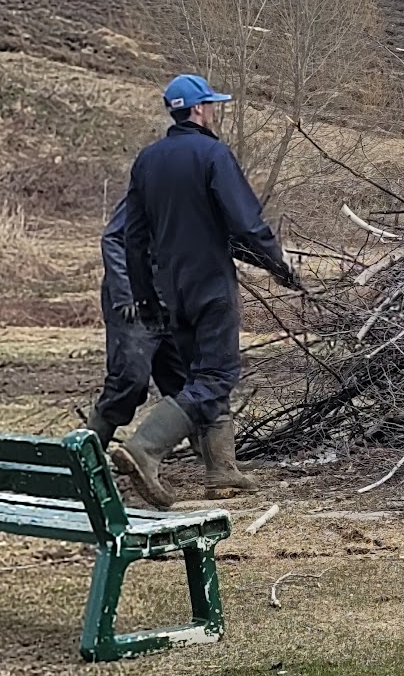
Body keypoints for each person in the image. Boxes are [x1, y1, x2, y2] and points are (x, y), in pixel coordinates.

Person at [119, 72, 301, 507]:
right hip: (210, 284)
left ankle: (222, 471)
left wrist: (146, 296)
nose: (216, 111)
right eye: (213, 105)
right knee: (216, 375)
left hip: (169, 288)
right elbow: (245, 223)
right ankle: (144, 448)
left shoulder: (148, 160)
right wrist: (279, 266)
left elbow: (133, 237)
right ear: (198, 109)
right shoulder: (212, 154)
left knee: (201, 374)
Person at [86, 195, 188, 449]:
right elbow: (113, 239)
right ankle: (86, 455)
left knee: (188, 384)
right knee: (129, 379)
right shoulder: (148, 193)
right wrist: (126, 294)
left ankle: (216, 466)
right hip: (137, 300)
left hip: (173, 301)